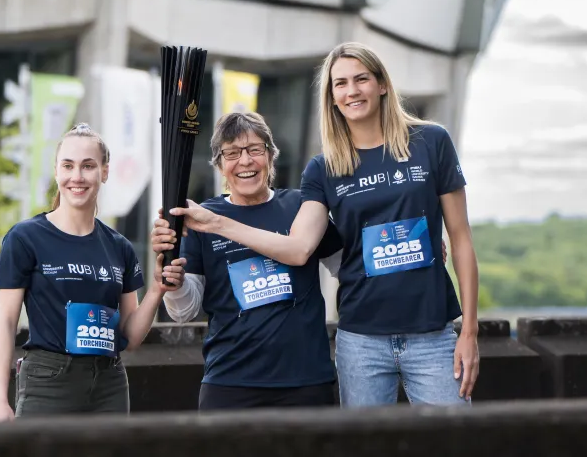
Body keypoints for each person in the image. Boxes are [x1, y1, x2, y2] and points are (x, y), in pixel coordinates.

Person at [170, 42, 480, 407]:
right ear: (331, 97)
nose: (352, 91)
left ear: (382, 84)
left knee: (455, 436)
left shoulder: (432, 141)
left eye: (361, 79)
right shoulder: (323, 167)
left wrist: (469, 330)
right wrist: (214, 225)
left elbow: (461, 239)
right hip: (361, 340)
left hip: (431, 333)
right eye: (340, 83)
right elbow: (300, 249)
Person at [0, 123, 186, 420]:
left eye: (88, 166)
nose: (77, 176)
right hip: (48, 383)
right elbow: (5, 322)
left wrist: (157, 289)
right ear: (56, 171)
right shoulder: (25, 238)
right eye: (68, 166)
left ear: (104, 172)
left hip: (110, 385)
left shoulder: (120, 247)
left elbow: (130, 337)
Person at [150, 111, 343, 410]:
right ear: (219, 164)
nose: (245, 161)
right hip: (230, 383)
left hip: (305, 381)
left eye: (255, 149)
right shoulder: (202, 219)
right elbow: (183, 312)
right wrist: (174, 285)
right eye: (231, 153)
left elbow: (348, 269)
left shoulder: (301, 207)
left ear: (271, 156)